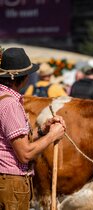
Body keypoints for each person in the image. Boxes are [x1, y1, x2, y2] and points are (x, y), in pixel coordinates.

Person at [0, 47, 66, 210]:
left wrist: (43, 130)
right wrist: (52, 135)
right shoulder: (9, 104)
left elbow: (13, 140)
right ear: (25, 77)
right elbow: (25, 154)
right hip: (10, 182)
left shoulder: (4, 98)